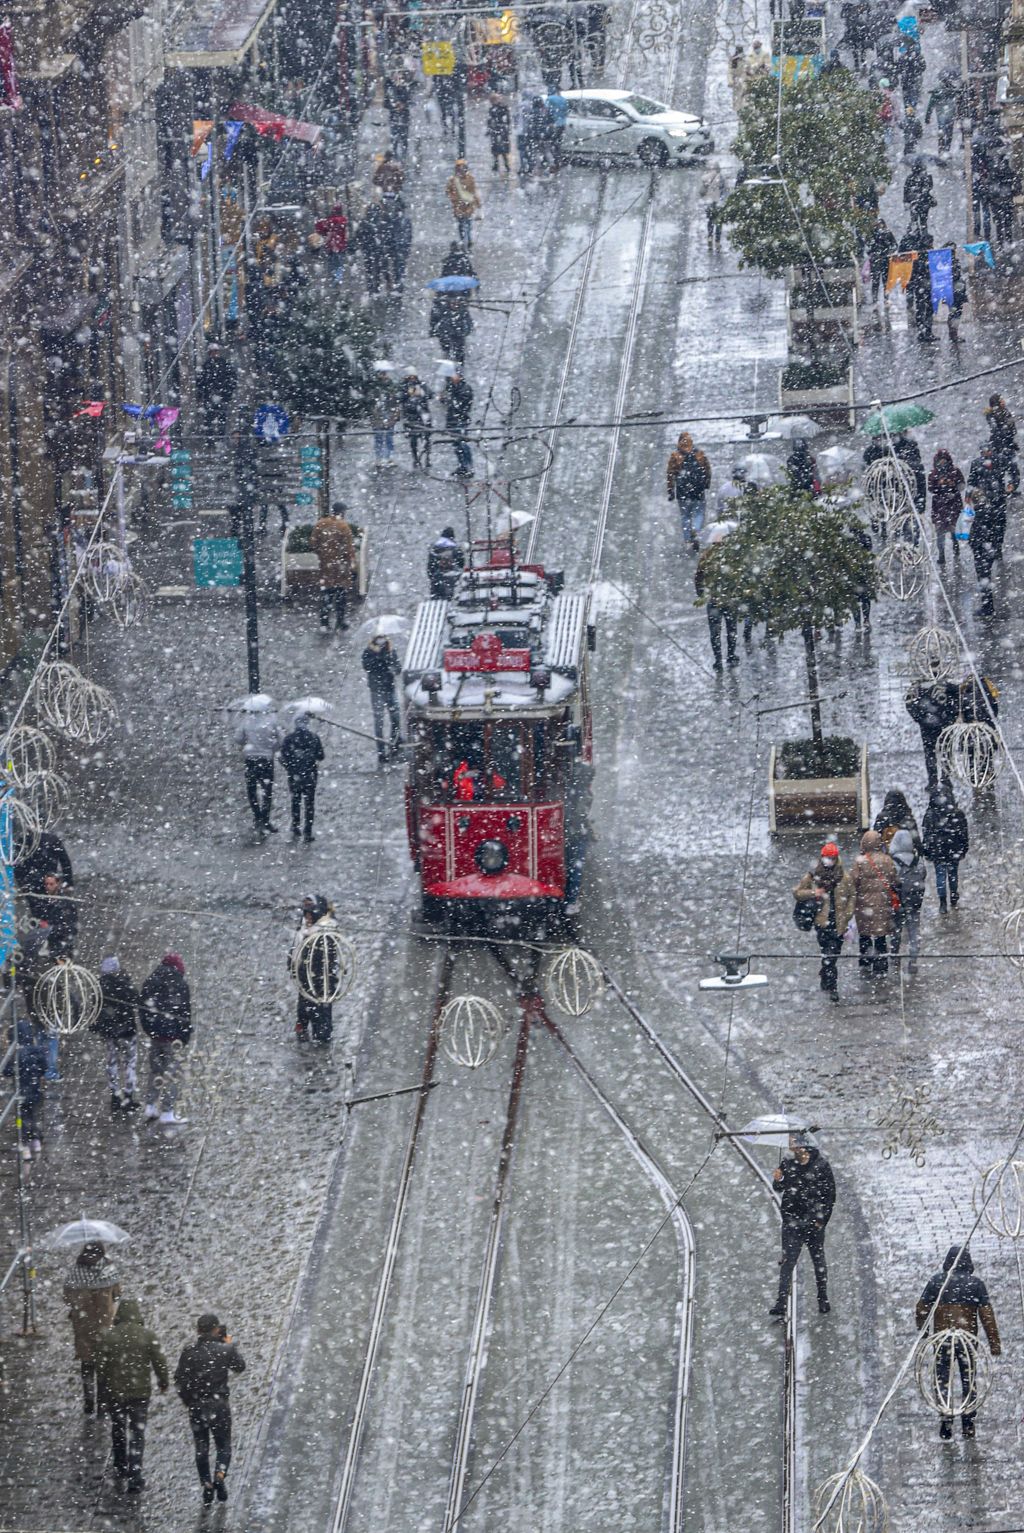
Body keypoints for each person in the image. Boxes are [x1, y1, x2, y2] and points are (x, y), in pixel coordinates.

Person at [916, 1247, 1000, 1439]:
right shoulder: (976, 1284)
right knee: (968, 1379)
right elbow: (987, 1316)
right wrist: (994, 1343)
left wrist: (924, 1330)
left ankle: (946, 1419)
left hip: (943, 1340)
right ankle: (968, 1421)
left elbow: (921, 1308)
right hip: (967, 1341)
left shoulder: (937, 1281)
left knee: (942, 1379)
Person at [175, 1314, 247, 1504]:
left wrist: (189, 1400)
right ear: (216, 1329)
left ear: (198, 1330)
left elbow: (180, 1381)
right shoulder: (225, 1349)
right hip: (219, 1405)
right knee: (223, 1445)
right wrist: (230, 1344)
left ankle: (206, 1483)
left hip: (197, 1406)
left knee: (201, 1446)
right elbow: (240, 1367)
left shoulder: (189, 1352)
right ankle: (220, 1473)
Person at [768, 1135, 835, 1316]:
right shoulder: (787, 1164)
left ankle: (823, 1297)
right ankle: (781, 1302)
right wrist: (779, 1179)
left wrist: (822, 1220)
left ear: (803, 1145)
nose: (791, 1146)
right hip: (792, 1222)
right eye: (790, 1143)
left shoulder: (820, 1165)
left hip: (814, 1222)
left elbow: (829, 1195)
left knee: (818, 1261)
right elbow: (778, 1187)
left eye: (793, 1142)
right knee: (787, 1263)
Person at [793, 842, 855, 1001]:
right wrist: (814, 892)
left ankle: (828, 978)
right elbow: (797, 893)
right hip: (822, 924)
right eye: (827, 858)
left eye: (832, 858)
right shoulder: (813, 876)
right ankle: (831, 983)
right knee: (829, 954)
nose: (829, 861)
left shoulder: (844, 876)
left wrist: (847, 915)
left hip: (839, 924)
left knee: (831, 955)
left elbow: (852, 896)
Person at [64, 1242, 121, 1415]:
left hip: (82, 1327)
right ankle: (102, 1405)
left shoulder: (75, 1272)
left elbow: (66, 1298)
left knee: (86, 1362)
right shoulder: (109, 1271)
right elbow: (118, 1294)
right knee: (103, 1365)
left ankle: (88, 1402)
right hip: (104, 1325)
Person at [140, 954, 192, 1126]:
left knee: (156, 1071)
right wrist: (183, 1036)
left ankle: (150, 1105)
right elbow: (184, 1014)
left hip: (155, 1036)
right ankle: (167, 1111)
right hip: (172, 1038)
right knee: (172, 1074)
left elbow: (143, 1011)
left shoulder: (150, 982)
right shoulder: (180, 985)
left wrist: (150, 1030)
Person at [94, 957, 140, 1112]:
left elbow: (96, 1010)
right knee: (130, 1063)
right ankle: (128, 1095)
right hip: (127, 1030)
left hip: (110, 1032)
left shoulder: (100, 986)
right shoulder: (124, 983)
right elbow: (136, 999)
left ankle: (114, 1095)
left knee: (112, 1062)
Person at [851, 829, 898, 976]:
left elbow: (853, 882)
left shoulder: (860, 861)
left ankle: (865, 963)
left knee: (864, 935)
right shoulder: (887, 860)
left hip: (864, 906)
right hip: (883, 904)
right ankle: (881, 966)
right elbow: (894, 880)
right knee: (880, 936)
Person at [234, 703, 282, 839]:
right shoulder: (271, 721)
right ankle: (265, 819)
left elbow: (237, 738)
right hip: (266, 759)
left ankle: (257, 817)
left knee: (252, 789)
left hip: (251, 759)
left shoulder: (246, 722)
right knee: (267, 790)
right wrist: (272, 747)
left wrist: (247, 742)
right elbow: (282, 739)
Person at [921, 780, 968, 911]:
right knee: (953, 873)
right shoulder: (957, 813)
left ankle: (942, 902)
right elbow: (963, 832)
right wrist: (964, 847)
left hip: (938, 850)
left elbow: (926, 834)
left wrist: (927, 850)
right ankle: (953, 895)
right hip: (954, 848)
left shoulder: (930, 814)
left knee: (940, 875)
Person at [2, 1018, 45, 1160]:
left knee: (21, 1119)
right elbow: (44, 1067)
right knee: (33, 1117)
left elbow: (7, 1071)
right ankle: (36, 1142)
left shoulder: (16, 1054)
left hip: (22, 1092)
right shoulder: (38, 1050)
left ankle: (25, 1146)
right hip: (35, 1091)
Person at [310, 502, 355, 632]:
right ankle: (340, 622)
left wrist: (323, 554)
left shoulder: (321, 523)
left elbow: (313, 543)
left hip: (325, 566)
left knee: (326, 595)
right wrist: (351, 564)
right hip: (340, 568)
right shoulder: (344, 526)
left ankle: (324, 623)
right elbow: (349, 548)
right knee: (341, 596)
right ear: (342, 512)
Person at [905, 678, 959, 786]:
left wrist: (920, 718)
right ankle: (941, 779)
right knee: (942, 752)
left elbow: (910, 705)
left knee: (935, 753)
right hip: (937, 725)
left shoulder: (920, 689)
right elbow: (910, 704)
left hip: (934, 726)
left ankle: (938, 779)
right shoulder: (920, 688)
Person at [280, 716, 324, 842]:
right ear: (307, 724)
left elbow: (284, 756)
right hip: (310, 775)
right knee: (309, 803)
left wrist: (290, 766)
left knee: (295, 800)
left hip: (294, 775)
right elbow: (321, 756)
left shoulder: (289, 739)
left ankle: (295, 825)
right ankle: (308, 830)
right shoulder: (314, 738)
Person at [666, 432, 712, 552]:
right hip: (698, 491)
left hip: (683, 492)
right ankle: (696, 531)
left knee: (685, 516)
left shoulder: (675, 456)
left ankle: (688, 540)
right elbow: (707, 470)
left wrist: (671, 490)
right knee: (699, 513)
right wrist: (706, 484)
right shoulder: (699, 454)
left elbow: (670, 474)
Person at [694, 547, 737, 671]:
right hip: (730, 600)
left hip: (714, 601)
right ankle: (730, 655)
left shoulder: (706, 556)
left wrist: (701, 594)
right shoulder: (732, 555)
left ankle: (718, 660)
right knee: (731, 629)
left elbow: (698, 576)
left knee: (715, 633)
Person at [362, 637, 403, 766]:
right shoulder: (368, 652)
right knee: (379, 721)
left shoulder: (391, 651)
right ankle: (381, 751)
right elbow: (367, 666)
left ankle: (395, 742)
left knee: (395, 718)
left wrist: (392, 666)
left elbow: (398, 668)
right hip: (377, 691)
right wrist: (379, 659)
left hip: (390, 689)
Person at [889, 829, 926, 973]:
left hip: (899, 900)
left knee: (896, 929)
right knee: (913, 929)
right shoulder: (918, 860)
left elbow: (890, 879)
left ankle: (895, 956)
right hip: (915, 900)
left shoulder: (893, 862)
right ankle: (913, 959)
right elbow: (923, 875)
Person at [928, 450, 964, 567]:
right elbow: (931, 489)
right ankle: (941, 555)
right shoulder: (933, 474)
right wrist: (939, 484)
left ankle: (955, 544)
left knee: (953, 528)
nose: (942, 462)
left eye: (944, 460)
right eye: (940, 460)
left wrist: (953, 485)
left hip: (953, 504)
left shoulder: (955, 471)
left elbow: (961, 485)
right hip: (940, 507)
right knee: (940, 532)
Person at [195, 343, 237, 434]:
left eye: (216, 351)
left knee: (222, 419)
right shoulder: (206, 365)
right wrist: (200, 396)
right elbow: (200, 382)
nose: (214, 353)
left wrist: (228, 392)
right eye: (212, 352)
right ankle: (210, 441)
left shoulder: (225, 364)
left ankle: (221, 439)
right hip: (209, 396)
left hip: (222, 396)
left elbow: (232, 378)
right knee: (209, 419)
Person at [33, 872, 77, 958]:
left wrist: (50, 928)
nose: (48, 887)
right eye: (46, 884)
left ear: (57, 884)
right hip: (49, 944)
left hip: (62, 944)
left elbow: (71, 927)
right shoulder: (43, 901)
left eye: (51, 884)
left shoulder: (66, 902)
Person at [399, 369, 433, 469]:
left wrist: (422, 393)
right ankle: (416, 459)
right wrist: (408, 394)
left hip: (423, 415)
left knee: (427, 437)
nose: (412, 378)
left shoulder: (422, 384)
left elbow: (430, 394)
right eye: (410, 376)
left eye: (413, 376)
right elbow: (400, 398)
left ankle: (427, 458)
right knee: (413, 440)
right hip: (411, 416)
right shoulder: (404, 385)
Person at [444, 368, 474, 479]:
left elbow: (462, 405)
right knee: (457, 445)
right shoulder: (452, 388)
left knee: (463, 444)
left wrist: (451, 399)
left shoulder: (465, 389)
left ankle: (468, 467)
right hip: (453, 420)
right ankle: (462, 466)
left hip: (461, 420)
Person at [368, 365, 400, 467]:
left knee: (388, 437)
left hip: (389, 413)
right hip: (378, 414)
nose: (384, 375)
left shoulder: (391, 386)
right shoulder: (373, 386)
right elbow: (370, 401)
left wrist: (395, 414)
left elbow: (396, 400)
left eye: (384, 373)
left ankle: (388, 457)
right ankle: (379, 458)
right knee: (379, 437)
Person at [925, 69, 962, 156]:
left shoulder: (938, 90)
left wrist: (928, 116)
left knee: (942, 131)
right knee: (948, 132)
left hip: (942, 114)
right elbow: (957, 102)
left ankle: (942, 149)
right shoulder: (951, 90)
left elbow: (931, 104)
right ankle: (945, 149)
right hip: (949, 114)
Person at [429, 294, 473, 365]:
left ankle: (458, 365)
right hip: (447, 336)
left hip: (458, 336)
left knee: (459, 353)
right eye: (453, 303)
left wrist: (463, 331)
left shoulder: (463, 311)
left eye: (456, 303)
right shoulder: (443, 311)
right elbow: (437, 322)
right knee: (447, 351)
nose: (455, 305)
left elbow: (468, 323)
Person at [446, 160, 481, 247]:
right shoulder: (453, 180)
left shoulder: (470, 178)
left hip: (468, 204)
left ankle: (468, 238)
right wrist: (453, 198)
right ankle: (463, 238)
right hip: (458, 205)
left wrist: (477, 202)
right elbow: (448, 191)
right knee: (461, 223)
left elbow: (473, 191)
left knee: (468, 222)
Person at [872, 786, 920, 851]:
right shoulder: (907, 817)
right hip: (905, 852)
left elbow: (876, 837)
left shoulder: (882, 817)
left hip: (887, 853)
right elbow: (915, 838)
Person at [427, 526, 465, 600]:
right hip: (453, 576)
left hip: (437, 577)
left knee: (437, 598)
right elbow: (461, 563)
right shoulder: (456, 548)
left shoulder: (434, 547)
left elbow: (430, 567)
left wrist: (432, 576)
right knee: (450, 597)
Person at [867, 217, 897, 307]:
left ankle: (886, 298)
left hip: (885, 260)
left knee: (885, 281)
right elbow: (867, 247)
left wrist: (889, 252)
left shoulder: (887, 233)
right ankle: (875, 300)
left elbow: (895, 245)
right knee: (876, 281)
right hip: (876, 260)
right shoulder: (872, 234)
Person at [313, 204, 348, 283]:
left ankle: (333, 279)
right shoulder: (343, 220)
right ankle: (338, 278)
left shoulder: (331, 220)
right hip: (340, 246)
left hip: (332, 246)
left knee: (333, 263)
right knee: (339, 264)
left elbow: (321, 228)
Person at [384, 72, 412, 160]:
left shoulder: (406, 89)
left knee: (404, 139)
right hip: (394, 118)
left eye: (401, 78)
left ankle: (404, 156)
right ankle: (395, 156)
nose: (399, 80)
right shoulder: (391, 90)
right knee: (395, 139)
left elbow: (410, 101)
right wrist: (394, 106)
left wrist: (404, 105)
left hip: (404, 118)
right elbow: (385, 103)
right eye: (397, 78)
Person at [701, 160, 727, 247]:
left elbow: (701, 192)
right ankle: (717, 241)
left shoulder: (705, 178)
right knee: (719, 222)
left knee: (710, 220)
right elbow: (724, 191)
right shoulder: (721, 178)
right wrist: (723, 200)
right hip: (719, 202)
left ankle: (709, 237)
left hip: (709, 202)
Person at [985, 393, 1017, 458]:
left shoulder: (1006, 412)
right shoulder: (991, 414)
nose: (1004, 401)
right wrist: (1006, 427)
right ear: (997, 402)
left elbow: (1012, 429)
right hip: (999, 445)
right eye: (1001, 400)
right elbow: (995, 429)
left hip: (1008, 443)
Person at [487, 94, 512, 173]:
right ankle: (500, 164)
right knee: (498, 147)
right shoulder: (495, 108)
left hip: (499, 129)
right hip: (499, 130)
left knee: (501, 147)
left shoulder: (500, 108)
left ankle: (503, 164)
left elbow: (507, 119)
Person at [544, 90, 569, 170]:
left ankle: (554, 163)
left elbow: (547, 111)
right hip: (562, 124)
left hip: (553, 124)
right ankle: (559, 161)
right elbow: (566, 111)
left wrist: (548, 121)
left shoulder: (550, 99)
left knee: (551, 145)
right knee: (558, 144)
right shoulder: (563, 99)